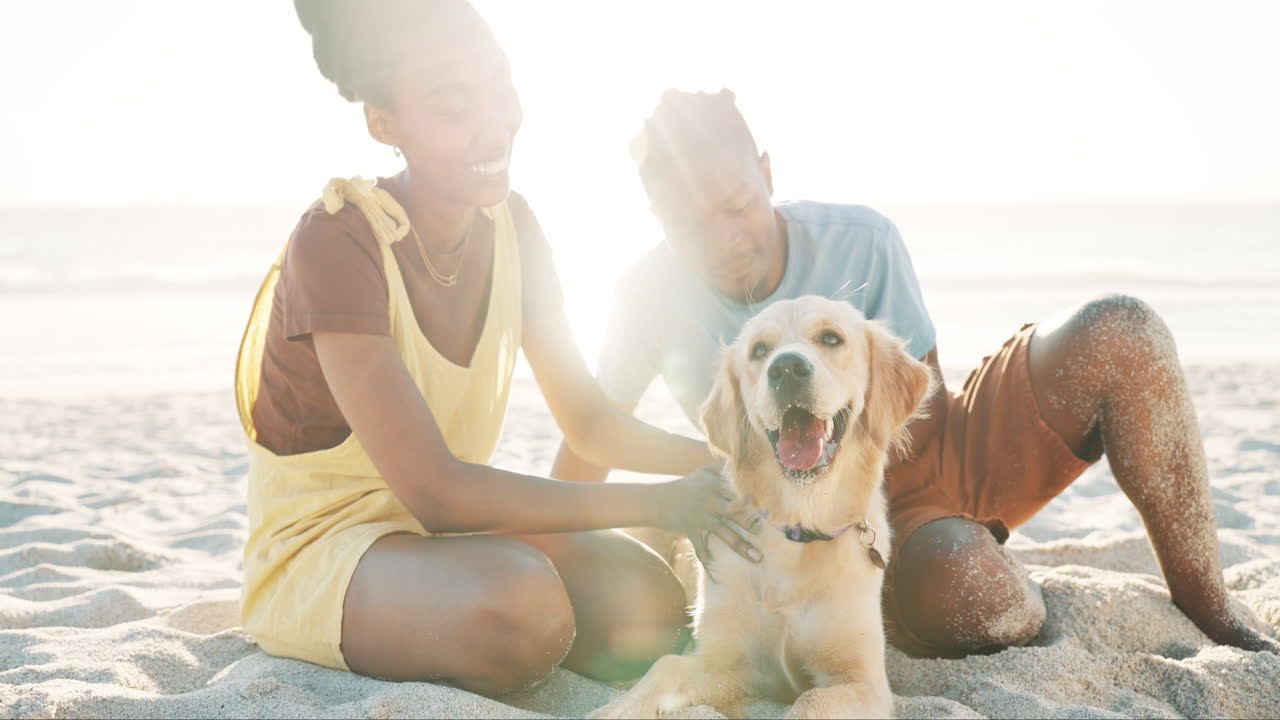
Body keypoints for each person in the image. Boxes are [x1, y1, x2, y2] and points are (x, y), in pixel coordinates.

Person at [552, 88, 1279, 658]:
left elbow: (924, 412)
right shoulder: (645, 296)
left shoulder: (863, 240)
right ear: (652, 214)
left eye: (738, 205)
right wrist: (552, 540)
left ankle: (1208, 603)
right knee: (964, 590)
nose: (722, 237)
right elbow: (587, 436)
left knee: (1123, 328)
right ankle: (960, 580)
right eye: (687, 222)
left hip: (925, 460)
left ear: (766, 173)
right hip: (801, 520)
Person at [234, 2, 760, 695]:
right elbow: (439, 494)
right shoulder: (337, 241)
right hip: (328, 551)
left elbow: (590, 423)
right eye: (454, 107)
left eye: (500, 89)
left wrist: (726, 467)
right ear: (383, 123)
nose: (493, 124)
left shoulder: (514, 226)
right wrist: (662, 506)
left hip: (439, 545)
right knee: (526, 610)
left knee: (651, 605)